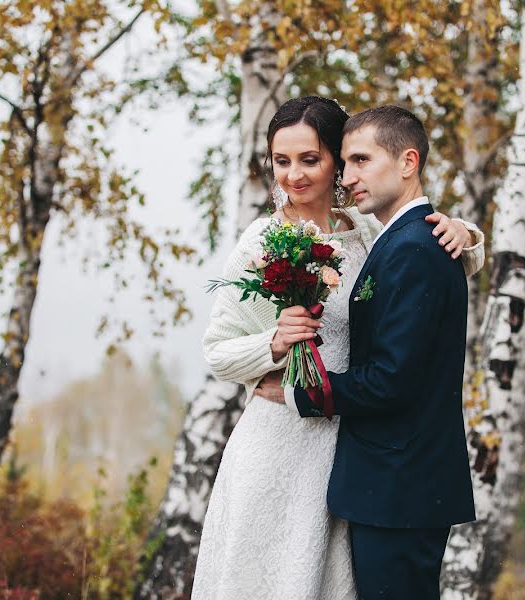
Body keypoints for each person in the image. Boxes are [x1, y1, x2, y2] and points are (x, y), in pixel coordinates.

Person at [193, 97, 483, 599]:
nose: (294, 176)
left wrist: (465, 234)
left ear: (338, 162)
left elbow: (417, 271)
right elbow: (219, 350)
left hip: (351, 445)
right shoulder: (262, 240)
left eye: (311, 159)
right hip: (280, 437)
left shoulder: (368, 230)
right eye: (281, 162)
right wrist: (274, 344)